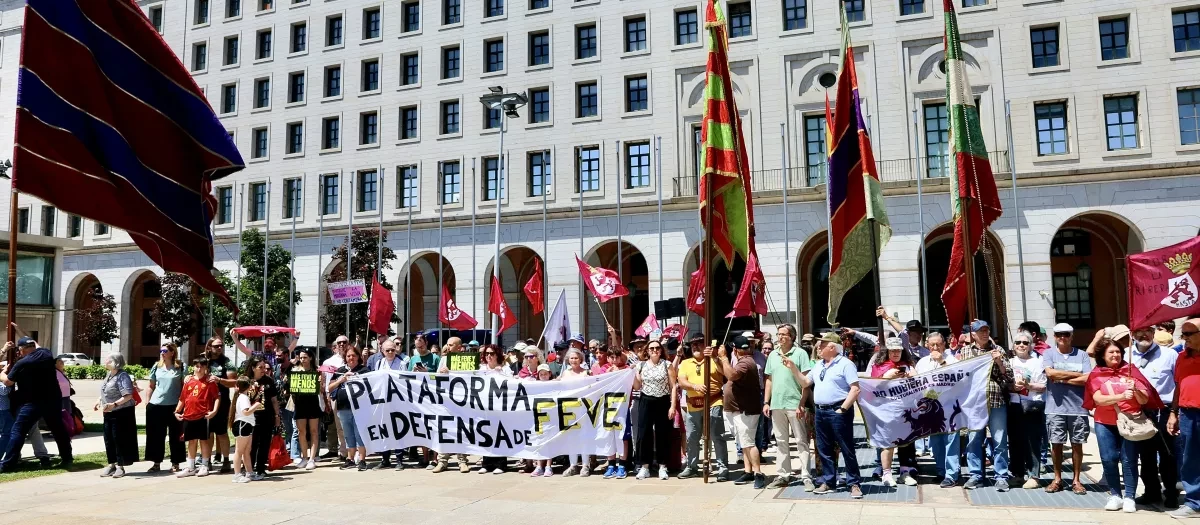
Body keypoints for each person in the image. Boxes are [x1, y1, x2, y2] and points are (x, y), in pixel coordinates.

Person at [1085, 336, 1162, 513]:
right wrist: (1121, 397)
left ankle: (1129, 497)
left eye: (1118, 352)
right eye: (1111, 352)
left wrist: (1134, 388)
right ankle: (1115, 495)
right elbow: (1098, 399)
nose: (1115, 355)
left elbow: (1144, 399)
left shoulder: (1131, 371)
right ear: (1102, 355)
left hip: (1131, 422)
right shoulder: (1097, 373)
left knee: (1129, 460)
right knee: (1108, 459)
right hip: (1104, 422)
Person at [0, 337, 74, 473]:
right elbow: (37, 344)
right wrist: (20, 331)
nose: (19, 353)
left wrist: (1, 373)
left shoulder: (23, 363)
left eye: (19, 350)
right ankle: (67, 458)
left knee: (18, 431)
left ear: (22, 349)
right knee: (58, 429)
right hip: (53, 400)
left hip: (32, 402)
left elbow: (8, 382)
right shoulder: (46, 354)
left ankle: (7, 465)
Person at [957, 320, 1014, 490]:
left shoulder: (998, 350)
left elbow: (1009, 376)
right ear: (973, 334)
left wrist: (999, 362)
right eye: (980, 331)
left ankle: (1001, 475)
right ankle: (975, 475)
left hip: (996, 400)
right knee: (974, 439)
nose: (984, 333)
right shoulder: (965, 351)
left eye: (986, 330)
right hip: (975, 403)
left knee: (999, 440)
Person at [808, 333, 863, 498]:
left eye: (822, 344)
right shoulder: (818, 365)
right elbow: (805, 382)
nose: (818, 347)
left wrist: (843, 409)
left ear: (832, 347)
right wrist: (792, 368)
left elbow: (855, 389)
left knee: (846, 448)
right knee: (824, 448)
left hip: (838, 410)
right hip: (820, 411)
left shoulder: (846, 364)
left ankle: (854, 483)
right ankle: (829, 481)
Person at [1042, 322, 1093, 495]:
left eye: (1066, 334)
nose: (1062, 338)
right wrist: (1076, 375)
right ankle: (1057, 479)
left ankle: (1076, 480)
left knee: (1077, 444)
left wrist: (1062, 378)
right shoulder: (1048, 353)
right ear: (1054, 337)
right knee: (1056, 444)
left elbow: (1088, 378)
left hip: (1078, 408)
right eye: (1058, 335)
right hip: (1054, 408)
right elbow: (1050, 374)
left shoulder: (1083, 355)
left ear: (1072, 336)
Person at [1130, 328, 1178, 508]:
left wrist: (1174, 412)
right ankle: (1152, 492)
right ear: (1133, 334)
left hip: (1164, 411)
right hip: (1139, 412)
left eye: (1149, 331)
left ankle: (1171, 492)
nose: (1145, 335)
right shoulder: (1127, 355)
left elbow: (1178, 383)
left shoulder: (1170, 354)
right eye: (1140, 331)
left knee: (1168, 456)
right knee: (1146, 456)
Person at [762, 323, 814, 490]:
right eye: (778, 334)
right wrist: (766, 402)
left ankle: (806, 475)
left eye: (784, 334)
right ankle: (783, 474)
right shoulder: (773, 355)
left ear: (792, 337)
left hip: (795, 404)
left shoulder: (800, 354)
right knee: (781, 441)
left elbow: (806, 382)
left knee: (801, 441)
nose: (780, 337)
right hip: (777, 404)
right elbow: (769, 379)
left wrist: (802, 403)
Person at [677, 336, 729, 481]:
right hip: (693, 404)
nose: (695, 347)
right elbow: (681, 381)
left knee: (717, 436)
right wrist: (694, 386)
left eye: (699, 344)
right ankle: (692, 466)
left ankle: (722, 469)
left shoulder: (713, 360)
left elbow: (725, 373)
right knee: (692, 437)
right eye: (693, 344)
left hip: (713, 401)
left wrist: (715, 357)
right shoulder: (686, 363)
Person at [870, 337, 919, 487]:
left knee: (905, 442)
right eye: (893, 350)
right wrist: (886, 377)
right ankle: (886, 474)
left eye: (899, 350)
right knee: (888, 443)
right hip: (886, 411)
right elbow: (872, 387)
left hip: (905, 410)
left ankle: (905, 472)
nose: (896, 353)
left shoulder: (908, 365)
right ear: (887, 351)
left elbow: (919, 384)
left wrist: (914, 376)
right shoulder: (878, 366)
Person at [916, 333, 961, 487]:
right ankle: (941, 471)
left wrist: (942, 362)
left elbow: (957, 379)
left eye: (938, 344)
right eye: (932, 345)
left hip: (949, 407)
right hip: (930, 409)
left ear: (944, 345)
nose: (935, 348)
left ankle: (952, 474)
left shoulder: (952, 360)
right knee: (936, 443)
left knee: (950, 442)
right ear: (927, 346)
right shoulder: (922, 362)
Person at [720, 336, 765, 489]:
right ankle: (748, 471)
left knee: (748, 442)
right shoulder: (745, 360)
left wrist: (724, 358)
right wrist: (718, 360)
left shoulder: (745, 362)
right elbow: (727, 374)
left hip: (746, 411)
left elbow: (731, 375)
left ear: (735, 350)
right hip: (739, 410)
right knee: (744, 442)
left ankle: (758, 473)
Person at [1008, 331, 1047, 490]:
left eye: (1025, 342)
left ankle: (1034, 475)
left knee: (1032, 442)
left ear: (1031, 345)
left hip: (1032, 405)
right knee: (1015, 441)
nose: (1021, 345)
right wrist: (1012, 386)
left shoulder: (1038, 362)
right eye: (1018, 342)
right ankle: (1017, 474)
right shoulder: (1009, 362)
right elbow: (1005, 384)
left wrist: (1028, 386)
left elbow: (1043, 386)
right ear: (1013, 346)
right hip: (1014, 405)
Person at [1170, 318, 1200, 519]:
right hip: (1188, 413)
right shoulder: (1181, 357)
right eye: (1183, 334)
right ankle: (1194, 503)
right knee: (1190, 459)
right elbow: (1178, 386)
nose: (1184, 338)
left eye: (1189, 334)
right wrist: (1173, 413)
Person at [633, 339, 676, 481]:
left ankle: (663, 466)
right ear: (647, 351)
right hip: (646, 400)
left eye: (657, 348)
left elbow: (673, 386)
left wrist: (673, 406)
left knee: (663, 434)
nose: (655, 350)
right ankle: (645, 466)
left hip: (663, 400)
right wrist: (633, 373)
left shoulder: (667, 364)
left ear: (661, 350)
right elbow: (637, 386)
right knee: (644, 433)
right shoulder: (641, 365)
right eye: (651, 348)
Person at [93, 354, 137, 478]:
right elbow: (105, 391)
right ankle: (111, 464)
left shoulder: (122, 376)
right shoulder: (109, 375)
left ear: (116, 362)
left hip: (121, 412)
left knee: (119, 438)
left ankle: (120, 466)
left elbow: (128, 395)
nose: (106, 361)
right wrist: (99, 401)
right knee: (108, 438)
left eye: (109, 359)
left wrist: (115, 404)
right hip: (108, 411)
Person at [175, 358, 220, 478]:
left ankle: (204, 465)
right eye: (197, 366)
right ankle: (190, 466)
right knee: (191, 440)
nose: (199, 369)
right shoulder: (188, 381)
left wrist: (214, 411)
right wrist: (177, 411)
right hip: (188, 415)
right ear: (193, 367)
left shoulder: (210, 382)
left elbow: (217, 398)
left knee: (204, 440)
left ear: (206, 368)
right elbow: (182, 399)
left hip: (203, 415)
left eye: (201, 366)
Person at [146, 344, 187, 473]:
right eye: (161, 351)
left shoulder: (180, 367)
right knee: (156, 436)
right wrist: (148, 402)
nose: (162, 353)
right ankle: (156, 463)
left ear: (172, 352)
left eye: (165, 351)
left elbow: (184, 387)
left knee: (176, 436)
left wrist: (183, 405)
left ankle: (176, 463)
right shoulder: (156, 366)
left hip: (174, 406)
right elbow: (151, 386)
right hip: (156, 406)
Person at [327, 347, 367, 471]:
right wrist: (342, 379)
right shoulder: (340, 371)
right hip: (343, 407)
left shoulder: (364, 370)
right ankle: (350, 459)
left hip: (359, 407)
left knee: (359, 434)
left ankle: (362, 460)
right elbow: (330, 388)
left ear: (358, 357)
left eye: (353, 355)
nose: (351, 358)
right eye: (348, 356)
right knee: (348, 434)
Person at [370, 339, 407, 470]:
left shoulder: (401, 363)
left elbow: (404, 382)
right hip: (383, 402)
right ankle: (385, 459)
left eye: (393, 349)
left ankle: (399, 459)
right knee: (384, 430)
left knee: (397, 431)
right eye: (388, 350)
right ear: (382, 351)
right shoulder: (379, 363)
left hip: (397, 401)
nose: (391, 352)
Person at [203, 336, 238, 473]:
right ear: (209, 347)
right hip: (205, 402)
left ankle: (225, 460)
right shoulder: (204, 360)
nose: (219, 348)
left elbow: (234, 382)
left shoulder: (226, 362)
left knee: (222, 432)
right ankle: (207, 461)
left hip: (222, 402)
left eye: (221, 346)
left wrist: (219, 380)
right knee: (207, 433)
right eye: (216, 346)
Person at [477, 344, 512, 475]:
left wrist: (501, 373)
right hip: (485, 407)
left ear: (497, 355)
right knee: (486, 434)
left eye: (492, 353)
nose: (489, 356)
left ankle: (500, 464)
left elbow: (512, 384)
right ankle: (486, 463)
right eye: (487, 354)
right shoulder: (481, 369)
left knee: (500, 435)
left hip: (500, 408)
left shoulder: (505, 369)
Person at [290, 348, 325, 471]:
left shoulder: (317, 371)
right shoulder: (295, 371)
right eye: (301, 357)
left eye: (305, 357)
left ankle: (312, 458)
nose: (303, 360)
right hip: (299, 404)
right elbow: (290, 389)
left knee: (314, 431)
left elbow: (321, 390)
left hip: (313, 403)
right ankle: (304, 457)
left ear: (310, 358)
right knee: (301, 432)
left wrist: (321, 384)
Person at [246, 357, 281, 479]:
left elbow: (274, 400)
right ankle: (249, 468)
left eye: (264, 367)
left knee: (264, 443)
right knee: (252, 444)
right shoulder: (247, 381)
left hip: (266, 416)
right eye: (260, 367)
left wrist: (277, 416)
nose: (263, 370)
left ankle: (261, 468)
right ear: (253, 368)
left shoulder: (269, 381)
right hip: (251, 418)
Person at [559, 348, 592, 476]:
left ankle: (585, 465)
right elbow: (557, 385)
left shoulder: (586, 373)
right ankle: (573, 464)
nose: (573, 360)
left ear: (581, 359)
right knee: (571, 436)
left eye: (576, 358)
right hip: (569, 409)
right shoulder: (565, 373)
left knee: (584, 436)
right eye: (572, 358)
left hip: (583, 408)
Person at [322, 335, 349, 463]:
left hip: (352, 397)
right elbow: (325, 381)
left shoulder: (352, 358)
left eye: (345, 342)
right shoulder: (328, 362)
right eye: (339, 343)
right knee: (339, 426)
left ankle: (352, 451)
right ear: (336, 346)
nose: (342, 345)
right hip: (335, 396)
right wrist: (326, 397)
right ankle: (343, 452)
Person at [231, 376, 261, 483]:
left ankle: (250, 472)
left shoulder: (243, 397)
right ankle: (237, 474)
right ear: (248, 386)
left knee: (247, 451)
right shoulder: (243, 398)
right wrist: (256, 405)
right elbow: (246, 412)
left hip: (247, 425)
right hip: (242, 424)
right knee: (239, 451)